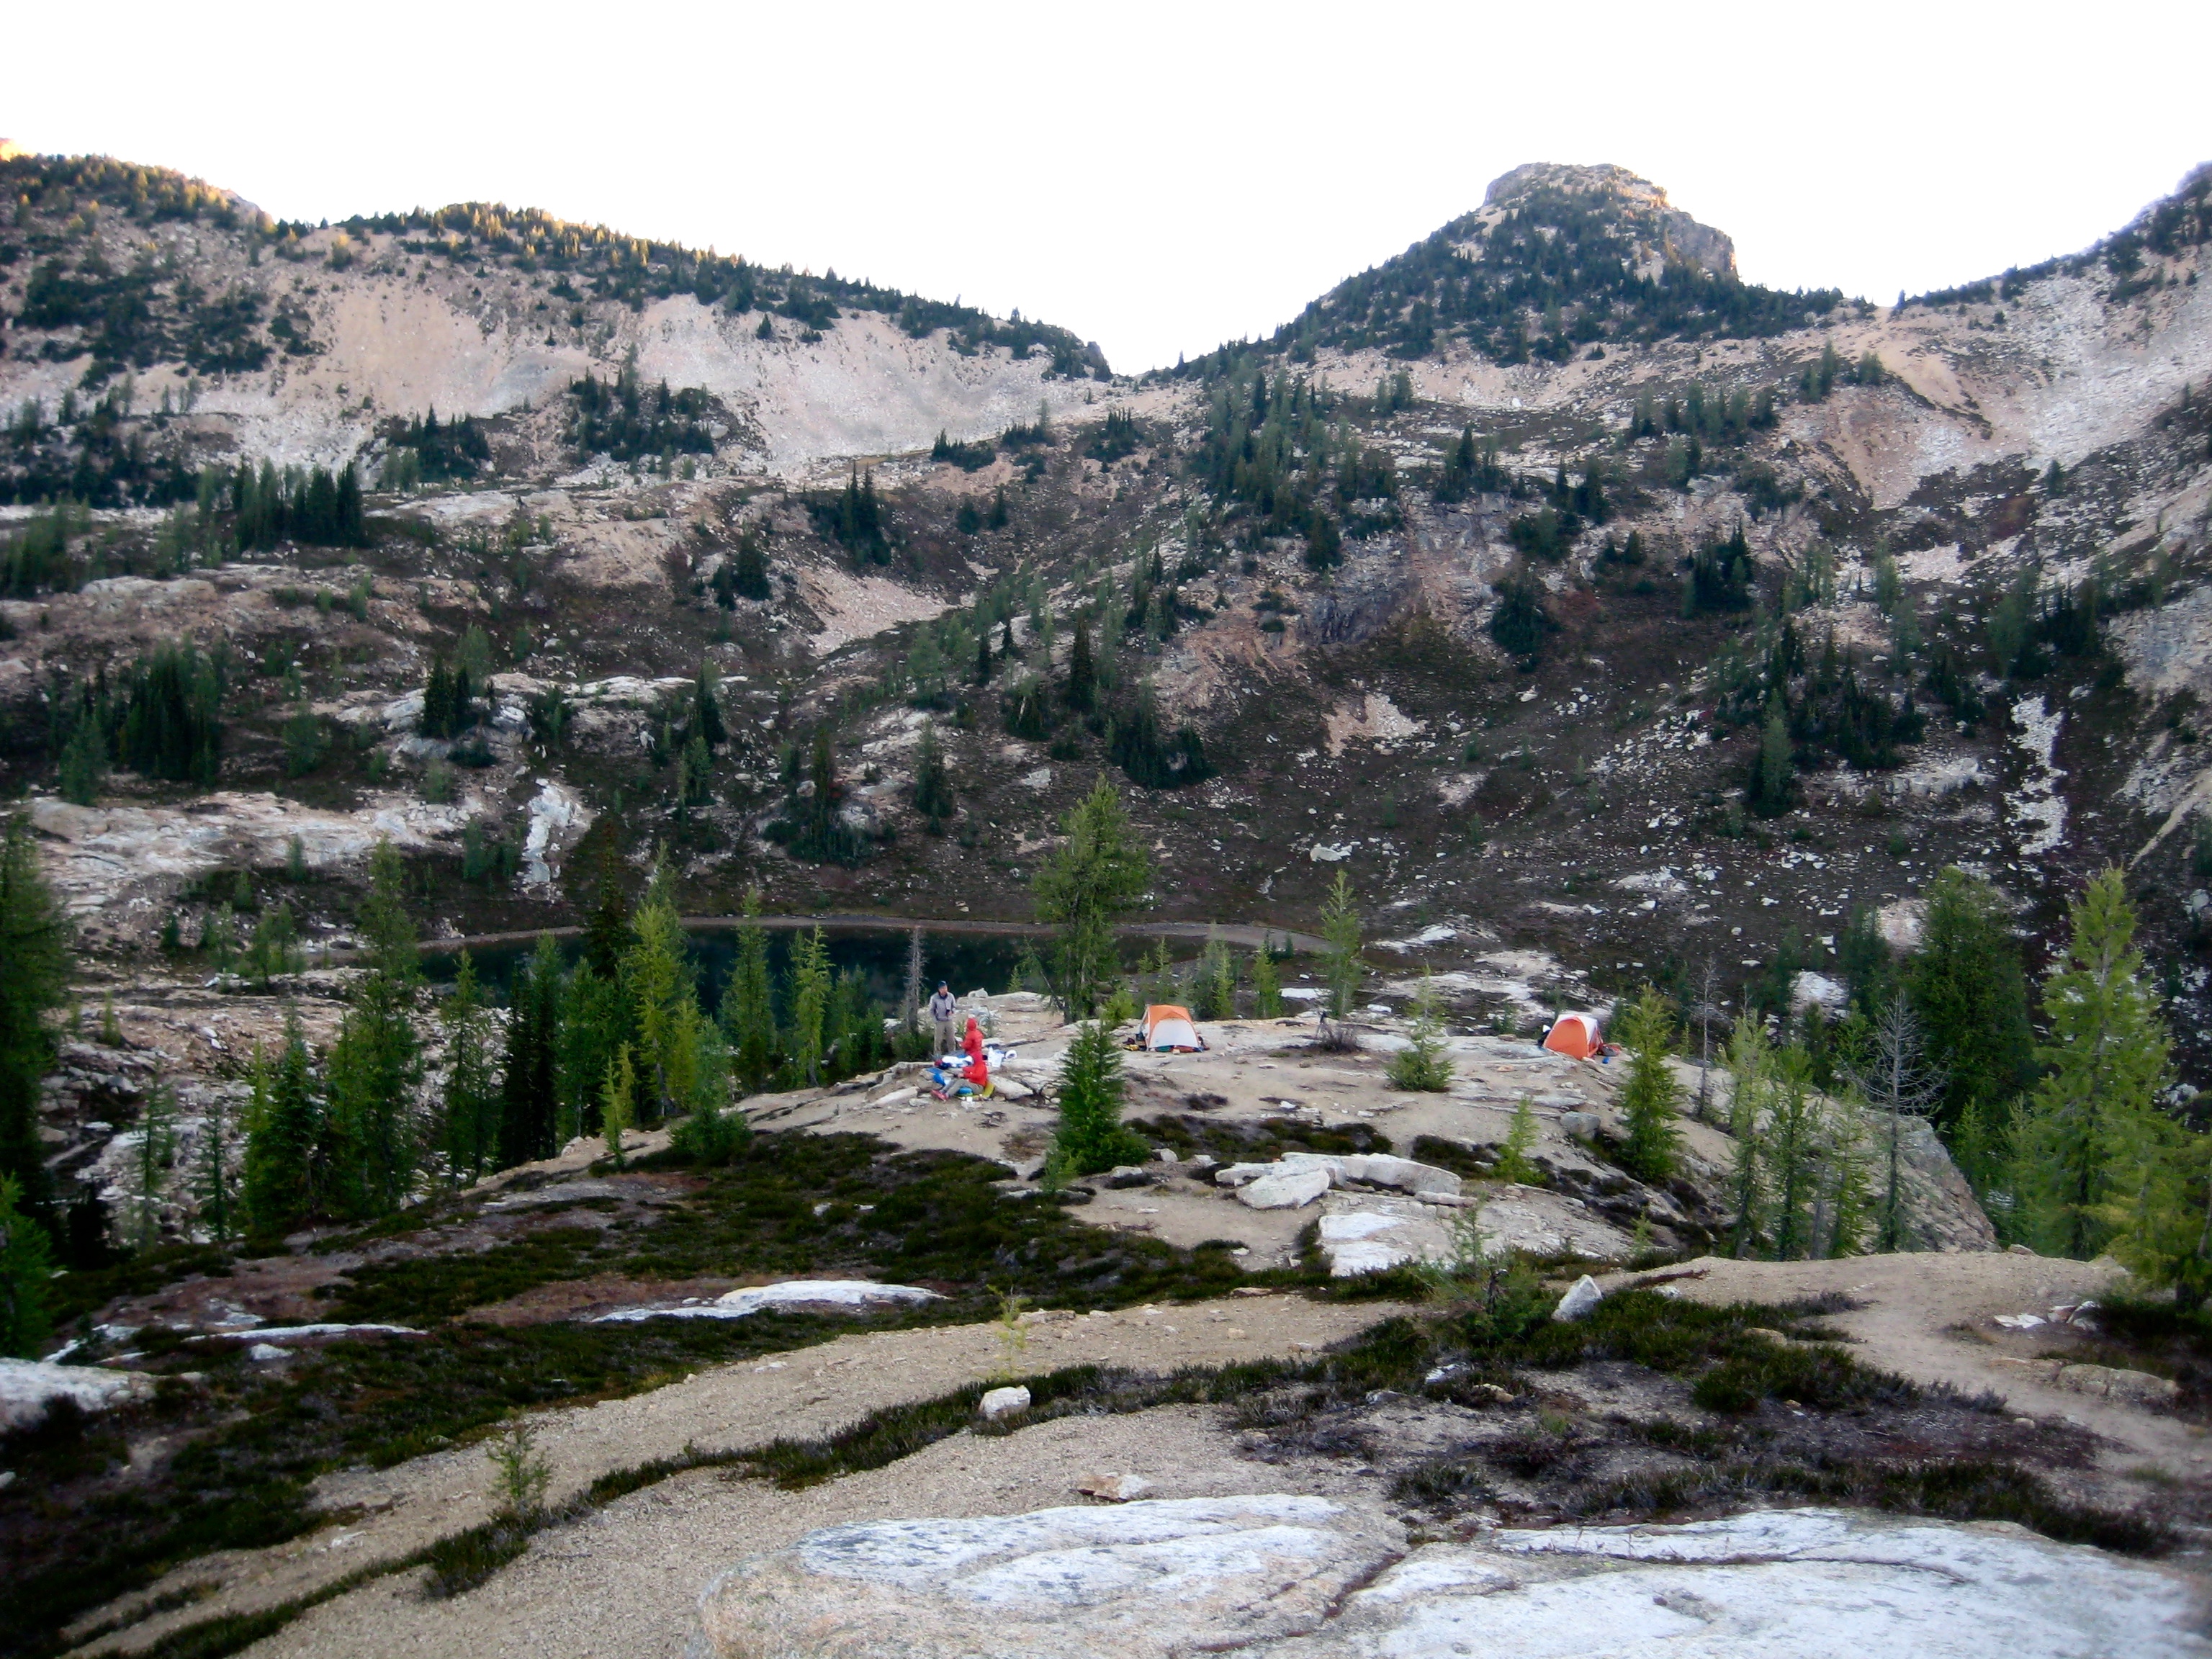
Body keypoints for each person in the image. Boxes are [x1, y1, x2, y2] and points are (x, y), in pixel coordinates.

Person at [928, 981, 958, 1056]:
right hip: (940, 1020)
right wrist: (935, 1020)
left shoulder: (951, 996)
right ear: (939, 989)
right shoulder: (934, 998)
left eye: (945, 988)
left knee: (951, 1039)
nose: (944, 990)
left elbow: (954, 1006)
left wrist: (952, 1011)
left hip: (949, 1020)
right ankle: (937, 1055)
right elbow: (931, 1010)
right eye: (942, 988)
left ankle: (952, 1054)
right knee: (938, 1040)